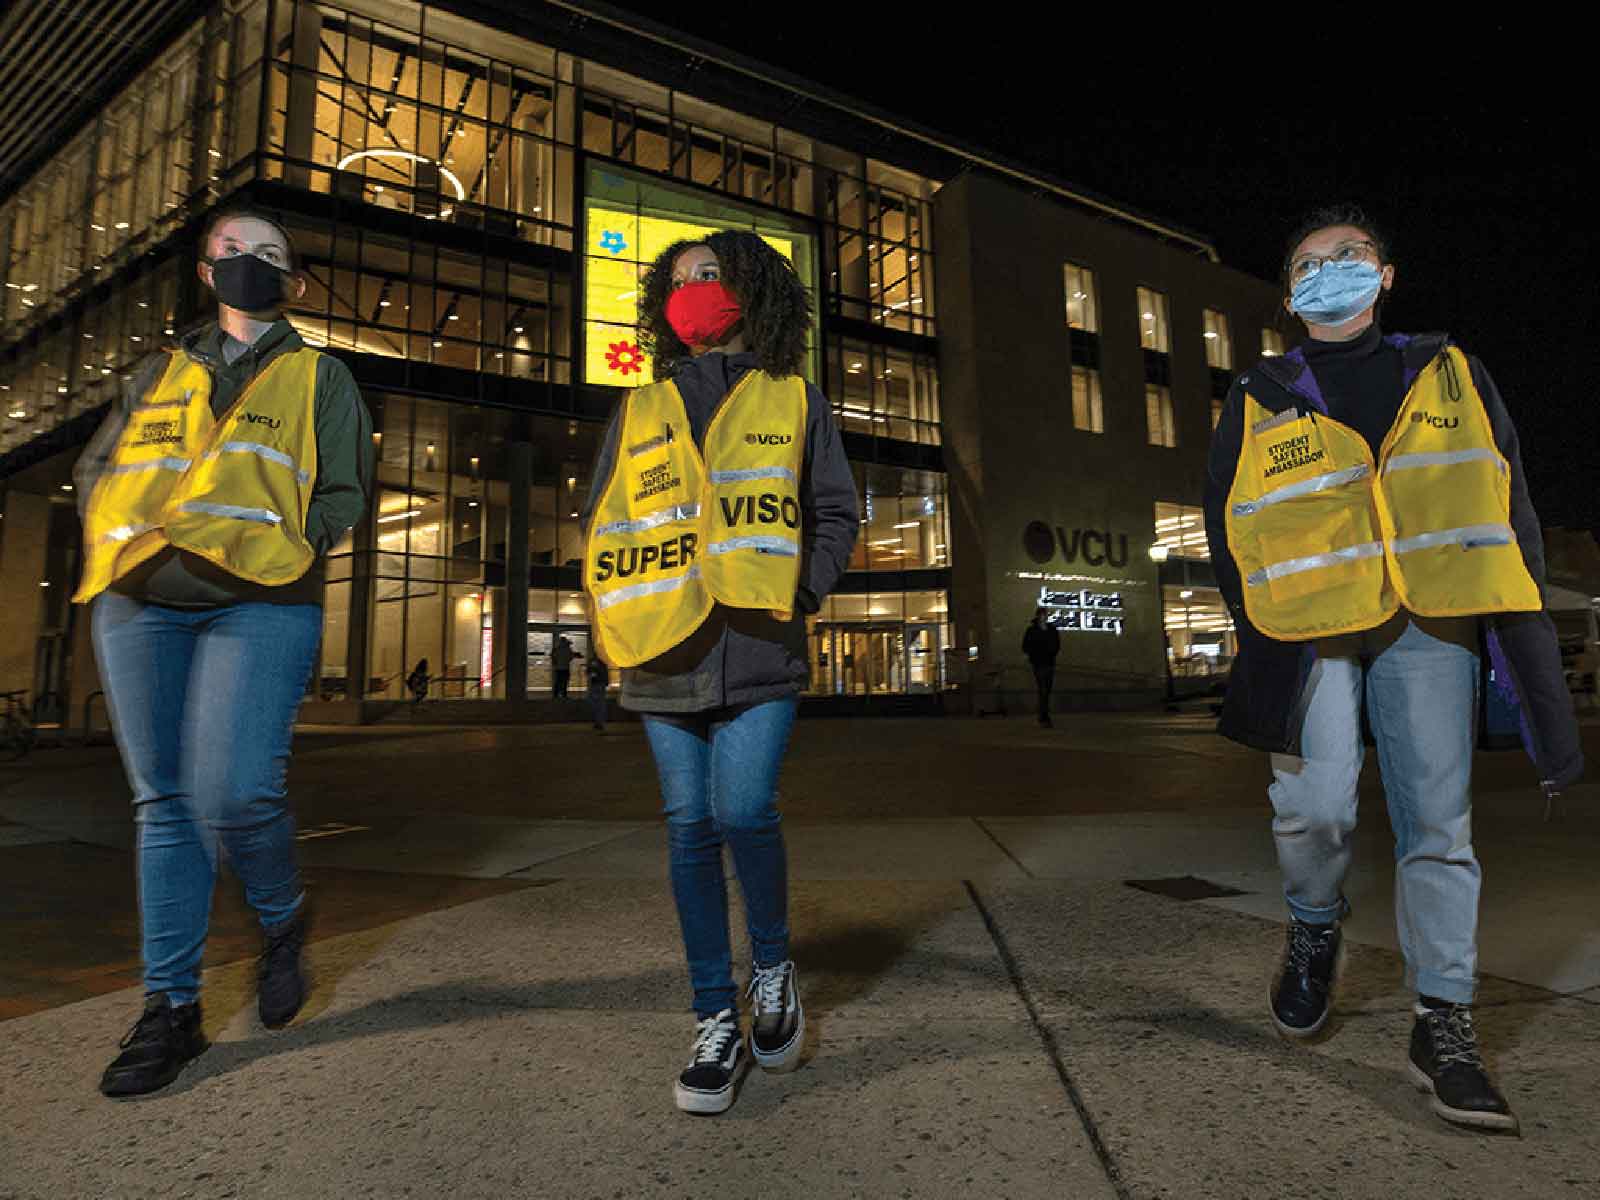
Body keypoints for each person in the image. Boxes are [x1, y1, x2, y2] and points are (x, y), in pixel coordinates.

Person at [1203, 205, 1582, 1134]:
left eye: (1349, 256)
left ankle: (1443, 1023)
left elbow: (1508, 494)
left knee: (1437, 824)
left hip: (1430, 615)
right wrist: (1257, 633)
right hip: (1311, 625)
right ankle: (1313, 921)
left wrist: (1525, 619)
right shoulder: (1258, 390)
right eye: (1308, 262)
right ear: (1290, 294)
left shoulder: (1451, 370)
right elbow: (1226, 526)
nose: (1329, 270)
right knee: (1315, 805)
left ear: (1386, 274)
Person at [73, 208, 373, 1098]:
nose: (251, 264)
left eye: (269, 255)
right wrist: (116, 541)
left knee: (239, 790)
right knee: (165, 803)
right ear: (206, 274)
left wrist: (297, 546)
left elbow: (347, 489)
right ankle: (172, 1010)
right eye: (233, 252)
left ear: (295, 282)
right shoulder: (157, 373)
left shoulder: (321, 375)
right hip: (139, 603)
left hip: (261, 598)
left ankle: (282, 922)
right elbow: (100, 471)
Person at [582, 229, 857, 1115]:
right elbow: (602, 520)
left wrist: (801, 592)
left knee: (741, 810)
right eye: (678, 280)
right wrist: (613, 623)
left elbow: (834, 509)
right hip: (663, 652)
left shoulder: (794, 397)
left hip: (758, 646)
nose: (692, 290)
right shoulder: (639, 406)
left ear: (753, 290)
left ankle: (771, 964)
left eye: (710, 275)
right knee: (688, 829)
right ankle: (713, 1017)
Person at [1021, 607, 1061, 727]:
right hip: (1038, 663)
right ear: (1038, 616)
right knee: (1043, 689)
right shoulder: (1032, 630)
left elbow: (1057, 644)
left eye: (1046, 615)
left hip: (1049, 662)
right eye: (1043, 615)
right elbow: (1025, 646)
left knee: (1046, 690)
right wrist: (1035, 654)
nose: (1044, 617)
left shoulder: (1052, 629)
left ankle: (1043, 714)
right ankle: (1044, 716)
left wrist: (1051, 653)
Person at [586, 651, 610, 731]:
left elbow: (590, 672)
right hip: (600, 684)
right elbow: (605, 673)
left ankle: (599, 722)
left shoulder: (593, 662)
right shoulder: (603, 663)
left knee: (596, 703)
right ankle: (599, 722)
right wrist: (606, 682)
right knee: (600, 703)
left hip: (596, 684)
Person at [551, 635, 574, 699]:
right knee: (565, 682)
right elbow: (571, 657)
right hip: (565, 668)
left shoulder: (557, 648)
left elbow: (554, 656)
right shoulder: (568, 648)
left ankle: (556, 695)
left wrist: (555, 663)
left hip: (559, 668)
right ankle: (564, 695)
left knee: (558, 682)